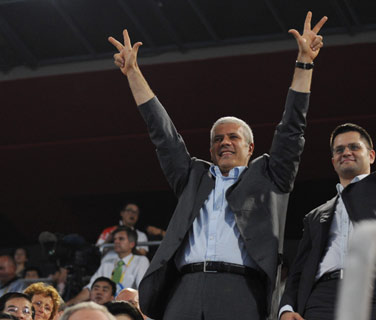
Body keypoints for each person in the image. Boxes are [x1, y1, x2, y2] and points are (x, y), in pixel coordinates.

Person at [108, 10, 327, 320]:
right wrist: (133, 73)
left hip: (241, 292)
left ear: (250, 148)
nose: (224, 142)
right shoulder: (192, 177)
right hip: (183, 290)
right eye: (217, 139)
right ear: (210, 149)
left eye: (233, 138)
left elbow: (293, 127)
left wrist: (305, 63)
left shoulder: (271, 175)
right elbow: (163, 134)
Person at [279, 71, 376, 320]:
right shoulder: (315, 216)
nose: (346, 152)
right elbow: (299, 270)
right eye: (339, 149)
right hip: (322, 298)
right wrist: (287, 308)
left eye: (355, 147)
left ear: (372, 156)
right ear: (333, 160)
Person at [67, 226, 149, 305]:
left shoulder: (141, 261)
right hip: (105, 307)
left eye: (121, 239)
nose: (116, 242)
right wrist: (67, 305)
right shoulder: (107, 261)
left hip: (128, 307)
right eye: (115, 239)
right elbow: (90, 288)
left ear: (132, 244)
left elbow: (143, 291)